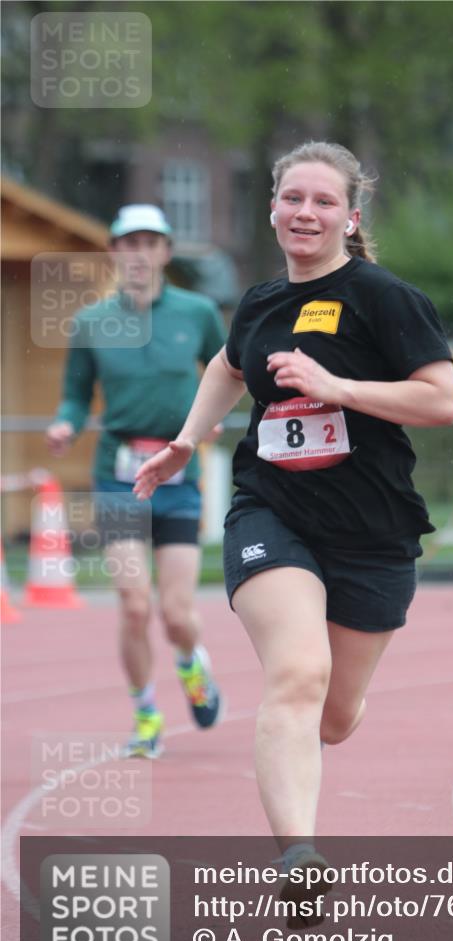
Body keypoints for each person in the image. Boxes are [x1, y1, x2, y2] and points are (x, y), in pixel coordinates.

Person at [134, 142, 453, 917]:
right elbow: (228, 365)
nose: (304, 213)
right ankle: (300, 857)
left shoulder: (385, 298)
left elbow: (441, 400)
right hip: (271, 513)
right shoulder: (257, 302)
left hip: (373, 533)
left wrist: (335, 386)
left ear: (350, 217)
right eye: (291, 199)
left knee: (335, 717)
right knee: (296, 675)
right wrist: (190, 437)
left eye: (321, 201)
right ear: (272, 208)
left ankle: (306, 810)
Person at [46, 204, 226, 759]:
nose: (139, 254)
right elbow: (77, 393)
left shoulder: (196, 313)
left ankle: (192, 665)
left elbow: (226, 372)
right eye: (128, 243)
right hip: (120, 476)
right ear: (114, 253)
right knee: (132, 603)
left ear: (166, 252)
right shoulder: (92, 322)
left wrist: (210, 418)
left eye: (149, 243)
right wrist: (65, 424)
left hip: (176, 473)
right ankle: (146, 713)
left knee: (176, 614)